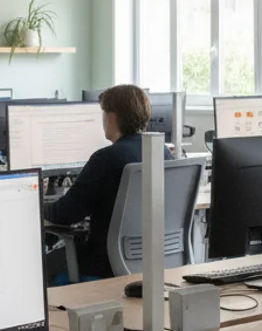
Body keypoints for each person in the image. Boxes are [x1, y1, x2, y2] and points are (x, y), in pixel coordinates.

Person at [44, 85, 175, 278]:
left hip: (105, 264)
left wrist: (36, 207)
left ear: (111, 117)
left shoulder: (106, 158)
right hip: (154, 260)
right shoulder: (161, 151)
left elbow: (66, 214)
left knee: (41, 267)